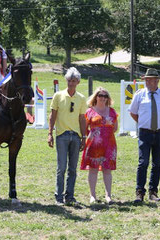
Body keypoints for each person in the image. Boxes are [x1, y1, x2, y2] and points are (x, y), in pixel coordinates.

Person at [129, 68, 160, 202]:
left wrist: (156, 123)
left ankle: (153, 191)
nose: (147, 82)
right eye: (146, 80)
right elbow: (133, 112)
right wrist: (144, 122)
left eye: (150, 80)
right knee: (143, 162)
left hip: (159, 133)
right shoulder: (139, 94)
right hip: (144, 133)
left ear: (157, 81)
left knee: (157, 163)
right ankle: (139, 192)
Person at [48, 67, 87, 206]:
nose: (71, 83)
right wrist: (50, 133)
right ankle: (59, 196)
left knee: (72, 168)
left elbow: (83, 119)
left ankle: (69, 196)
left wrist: (84, 137)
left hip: (76, 136)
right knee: (61, 167)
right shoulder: (58, 96)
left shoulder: (81, 98)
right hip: (61, 135)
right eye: (69, 80)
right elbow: (52, 116)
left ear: (78, 82)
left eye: (74, 81)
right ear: (66, 80)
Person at [80, 87, 118, 204]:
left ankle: (108, 196)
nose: (102, 98)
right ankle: (93, 195)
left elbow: (115, 128)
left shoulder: (112, 111)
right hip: (93, 145)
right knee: (93, 169)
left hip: (109, 144)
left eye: (105, 96)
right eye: (100, 95)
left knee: (107, 169)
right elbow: (84, 128)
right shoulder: (89, 111)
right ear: (96, 97)